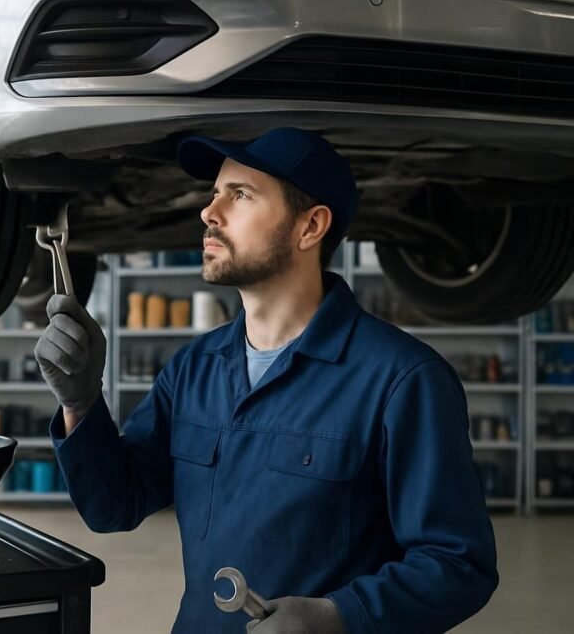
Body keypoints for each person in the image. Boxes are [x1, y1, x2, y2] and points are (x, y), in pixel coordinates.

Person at [35, 127, 499, 633]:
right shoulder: (195, 368)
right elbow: (114, 506)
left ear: (310, 227)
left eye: (241, 195)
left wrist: (339, 616)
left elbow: (458, 563)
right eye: (215, 194)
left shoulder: (402, 380)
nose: (209, 213)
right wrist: (81, 402)